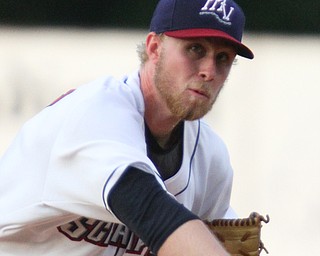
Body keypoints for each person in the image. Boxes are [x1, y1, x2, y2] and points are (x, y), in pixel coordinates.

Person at [0, 0, 254, 255]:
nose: (209, 71)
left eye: (223, 58)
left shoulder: (209, 157)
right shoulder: (97, 114)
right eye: (195, 49)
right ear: (154, 48)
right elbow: (151, 211)